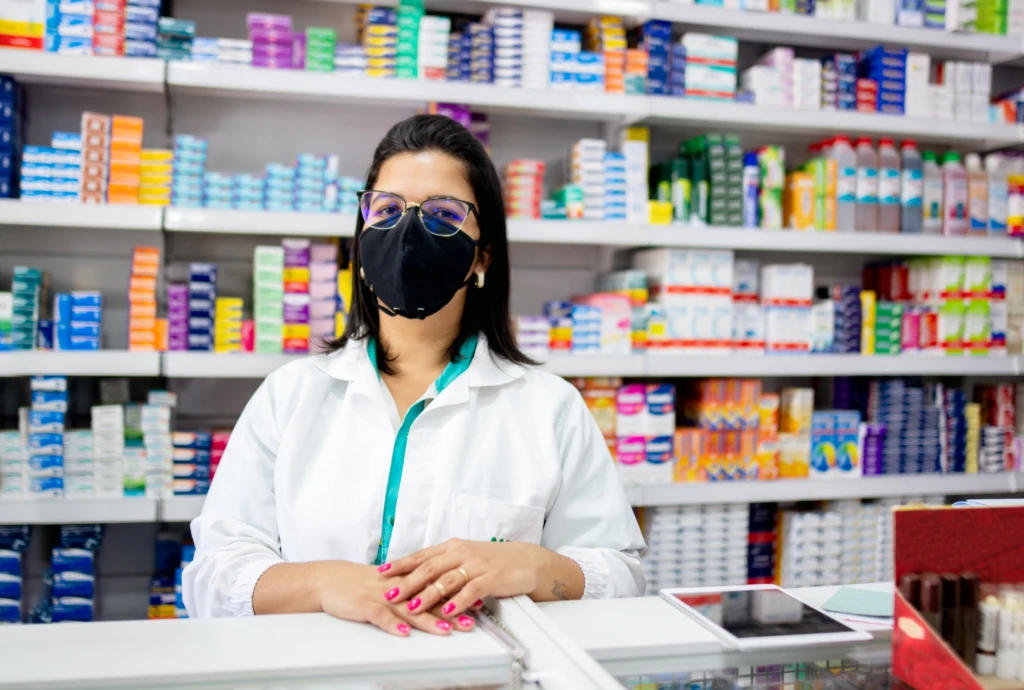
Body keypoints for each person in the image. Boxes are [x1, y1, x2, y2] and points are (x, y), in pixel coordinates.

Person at [182, 114, 645, 637]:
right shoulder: (290, 396)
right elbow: (213, 576)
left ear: (481, 258)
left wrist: (534, 566)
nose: (407, 232)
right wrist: (323, 583)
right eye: (387, 209)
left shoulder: (548, 408)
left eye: (444, 214)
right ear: (360, 246)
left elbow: (622, 575)